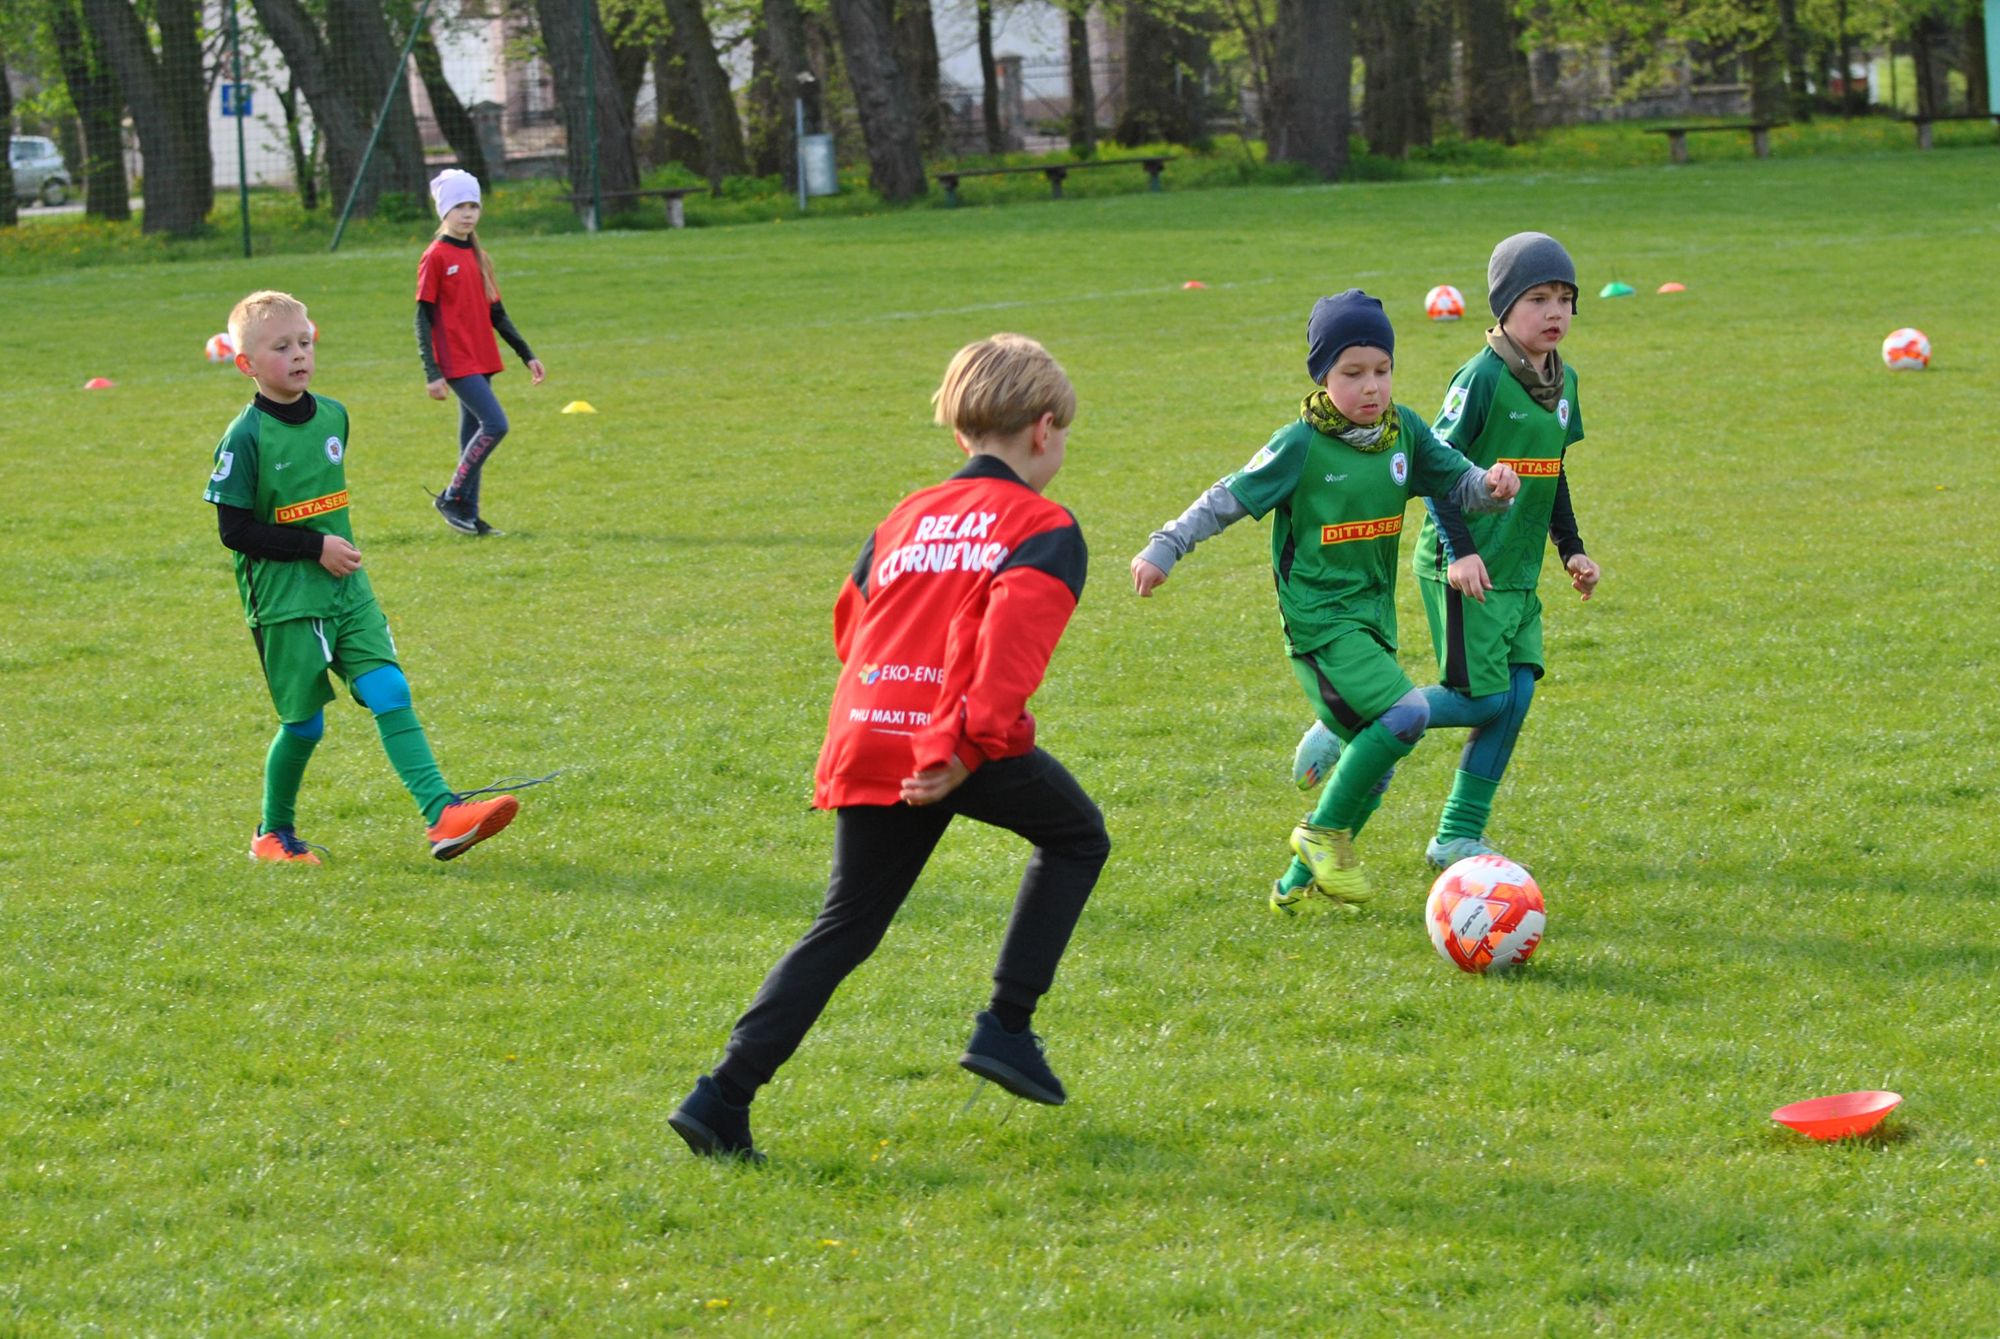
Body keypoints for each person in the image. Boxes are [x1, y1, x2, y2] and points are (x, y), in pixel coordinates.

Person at [669, 335, 1110, 1163]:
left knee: (845, 924)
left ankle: (719, 1097)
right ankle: (1006, 1025)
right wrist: (966, 751)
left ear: (961, 434)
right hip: (956, 740)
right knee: (1078, 835)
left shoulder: (904, 516)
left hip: (870, 729)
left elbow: (851, 625)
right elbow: (1005, 660)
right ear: (1045, 431)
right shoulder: (1044, 528)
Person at [1131, 290, 1518, 915]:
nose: (1372, 387)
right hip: (1319, 626)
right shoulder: (1301, 445)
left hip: (1371, 623)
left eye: (1382, 370)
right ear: (1322, 375)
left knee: (1377, 763)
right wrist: (1166, 546)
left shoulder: (1405, 433)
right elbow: (1226, 497)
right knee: (1407, 715)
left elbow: (1461, 484)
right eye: (1352, 373)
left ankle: (1290, 886)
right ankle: (1318, 835)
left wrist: (1494, 484)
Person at [1292, 234, 1600, 869]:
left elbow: (1552, 468)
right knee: (1482, 696)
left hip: (1517, 569)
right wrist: (1461, 553)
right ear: (1504, 306)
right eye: (1538, 298)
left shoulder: (1563, 378)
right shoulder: (1482, 377)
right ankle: (1351, 724)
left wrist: (1571, 548)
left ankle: (1457, 834)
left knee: (1514, 696)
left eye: (1565, 299)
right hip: (1463, 566)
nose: (1554, 312)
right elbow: (1436, 472)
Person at [205, 289, 526, 864]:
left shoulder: (333, 415)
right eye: (282, 347)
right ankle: (271, 834)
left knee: (389, 689)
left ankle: (443, 814)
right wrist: (314, 546)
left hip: (346, 588)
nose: (299, 354)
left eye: (305, 342)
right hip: (285, 602)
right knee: (303, 728)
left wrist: (331, 551)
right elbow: (234, 531)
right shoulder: (245, 437)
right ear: (247, 364)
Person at [416, 169, 545, 536]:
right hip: (456, 361)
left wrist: (527, 355)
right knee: (495, 425)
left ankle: (468, 515)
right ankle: (451, 495)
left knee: (471, 435)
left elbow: (497, 314)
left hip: (482, 357)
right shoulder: (435, 256)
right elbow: (422, 317)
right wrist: (432, 371)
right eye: (459, 206)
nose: (468, 213)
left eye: (473, 205)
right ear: (445, 210)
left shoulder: (478, 256)